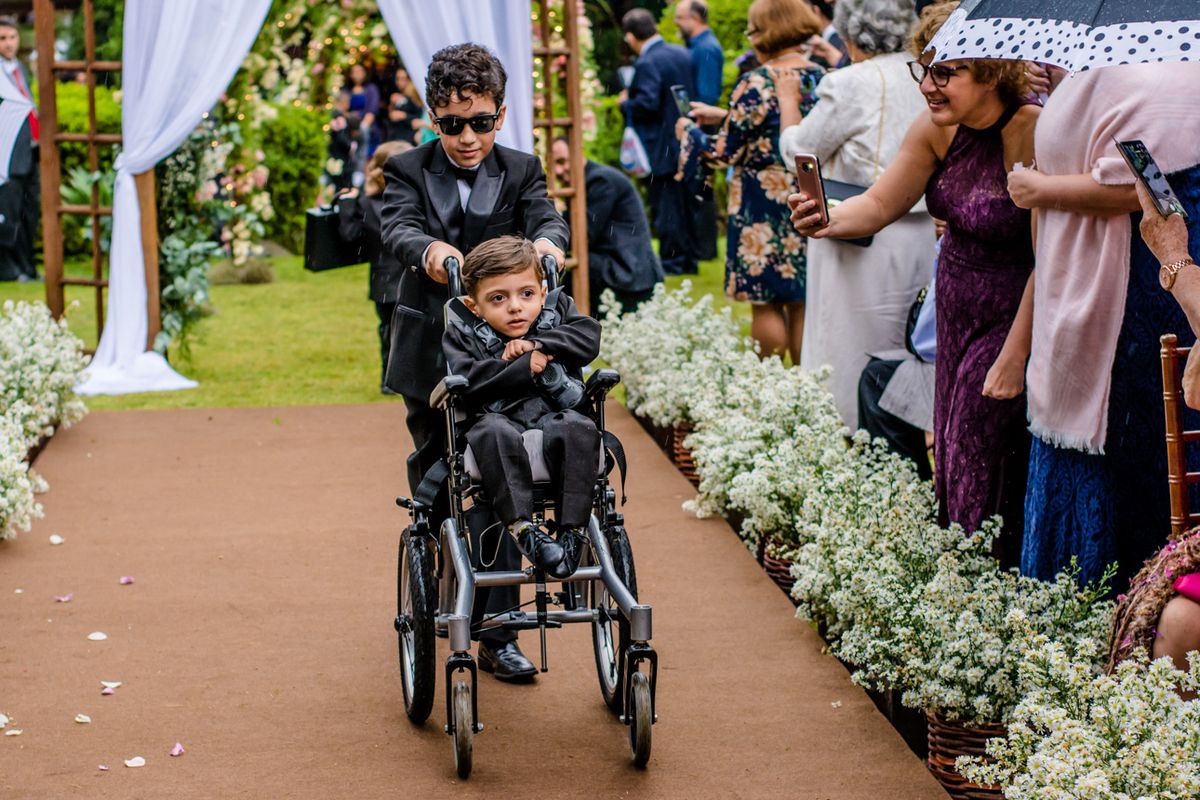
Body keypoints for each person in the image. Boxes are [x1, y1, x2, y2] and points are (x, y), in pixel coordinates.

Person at [789, 1, 1037, 560]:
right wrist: (826, 218)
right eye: (923, 68)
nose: (928, 85)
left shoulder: (1029, 129)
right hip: (953, 309)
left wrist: (1017, 352)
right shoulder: (936, 129)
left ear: (992, 70)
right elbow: (878, 204)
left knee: (982, 446)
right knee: (950, 447)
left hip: (1012, 312)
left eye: (945, 72)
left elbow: (1050, 261)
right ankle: (963, 585)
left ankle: (985, 578)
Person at [380, 43, 569, 682]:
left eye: (481, 122)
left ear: (501, 114)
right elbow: (398, 227)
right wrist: (435, 253)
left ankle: (498, 628)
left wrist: (547, 243)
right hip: (431, 350)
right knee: (439, 470)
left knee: (497, 471)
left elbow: (547, 217)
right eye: (452, 124)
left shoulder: (520, 168)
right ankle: (434, 568)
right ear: (434, 117)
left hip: (503, 355)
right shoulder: (407, 168)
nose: (467, 136)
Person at [1013, 62, 1200, 590]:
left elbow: (1151, 190)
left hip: (1146, 291)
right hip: (1147, 274)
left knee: (1150, 441)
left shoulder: (1167, 78)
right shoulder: (1106, 71)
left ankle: (1140, 610)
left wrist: (1041, 188)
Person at [777, 0, 933, 429]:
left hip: (857, 229)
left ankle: (845, 427)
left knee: (846, 341)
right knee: (910, 337)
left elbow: (800, 150)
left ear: (849, 33)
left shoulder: (847, 83)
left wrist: (788, 104)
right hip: (922, 232)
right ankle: (905, 433)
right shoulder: (930, 71)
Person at [444, 236, 602, 581]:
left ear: (543, 293)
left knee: (577, 426)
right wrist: (519, 366)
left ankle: (572, 530)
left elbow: (589, 337)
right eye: (498, 299)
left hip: (555, 417)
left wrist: (538, 343)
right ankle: (522, 528)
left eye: (526, 294)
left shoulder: (556, 312)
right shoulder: (463, 334)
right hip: (497, 422)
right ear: (474, 307)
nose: (515, 307)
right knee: (491, 431)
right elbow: (466, 377)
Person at [682, 0, 825, 360]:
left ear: (765, 31)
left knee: (764, 300)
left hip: (760, 201)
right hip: (806, 193)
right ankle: (805, 381)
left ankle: (768, 383)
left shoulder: (756, 82)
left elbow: (724, 152)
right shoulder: (822, 76)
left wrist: (690, 132)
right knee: (800, 296)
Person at [619, 8, 699, 275]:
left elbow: (647, 103)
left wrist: (624, 103)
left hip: (659, 145)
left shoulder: (646, 62)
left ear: (630, 36)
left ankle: (673, 262)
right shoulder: (680, 52)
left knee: (666, 208)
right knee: (684, 203)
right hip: (684, 137)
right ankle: (689, 259)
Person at [550, 136, 663, 316]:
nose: (559, 170)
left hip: (627, 273)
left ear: (578, 152)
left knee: (570, 270)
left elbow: (580, 237)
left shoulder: (599, 181)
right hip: (624, 268)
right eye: (553, 166)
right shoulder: (589, 180)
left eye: (562, 161)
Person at [337, 140, 412, 392]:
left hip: (392, 278)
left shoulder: (369, 203)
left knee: (393, 330)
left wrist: (348, 204)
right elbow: (351, 235)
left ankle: (392, 379)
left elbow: (351, 234)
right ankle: (392, 379)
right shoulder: (377, 202)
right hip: (391, 278)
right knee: (394, 330)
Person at [673, 0, 724, 262]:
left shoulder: (706, 47)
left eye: (679, 17)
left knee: (703, 186)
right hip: (697, 123)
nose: (675, 23)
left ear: (695, 17)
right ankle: (702, 247)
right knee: (699, 185)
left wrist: (696, 128)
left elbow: (707, 94)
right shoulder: (698, 45)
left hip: (704, 123)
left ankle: (706, 249)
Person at [0, 16, 38, 283]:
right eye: (2, 38)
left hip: (30, 150)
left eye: (12, 37)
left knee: (30, 212)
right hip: (7, 154)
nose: (9, 43)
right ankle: (8, 269)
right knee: (8, 213)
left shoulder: (19, 68)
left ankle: (27, 266)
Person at [339, 63, 379, 174]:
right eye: (353, 72)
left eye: (359, 71)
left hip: (366, 128)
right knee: (354, 158)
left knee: (366, 157)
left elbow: (371, 110)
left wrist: (363, 128)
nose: (356, 75)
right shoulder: (347, 90)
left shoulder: (370, 89)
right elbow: (344, 109)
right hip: (351, 129)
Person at [385, 68, 427, 145]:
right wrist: (391, 105)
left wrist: (404, 116)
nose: (399, 82)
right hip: (396, 136)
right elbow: (390, 116)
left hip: (410, 139)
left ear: (409, 79)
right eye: (397, 79)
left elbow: (421, 116)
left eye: (402, 79)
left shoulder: (414, 96)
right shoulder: (396, 95)